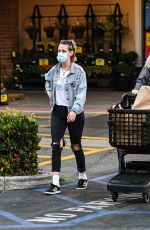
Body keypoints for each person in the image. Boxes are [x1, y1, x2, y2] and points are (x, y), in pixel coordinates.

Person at [44, 39, 88, 195]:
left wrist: (75, 111)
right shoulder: (55, 70)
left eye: (63, 51)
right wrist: (51, 97)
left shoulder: (79, 72)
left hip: (74, 113)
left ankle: (82, 176)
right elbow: (47, 80)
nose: (60, 54)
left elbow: (81, 94)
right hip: (58, 111)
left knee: (76, 145)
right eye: (59, 51)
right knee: (56, 144)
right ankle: (55, 183)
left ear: (71, 53)